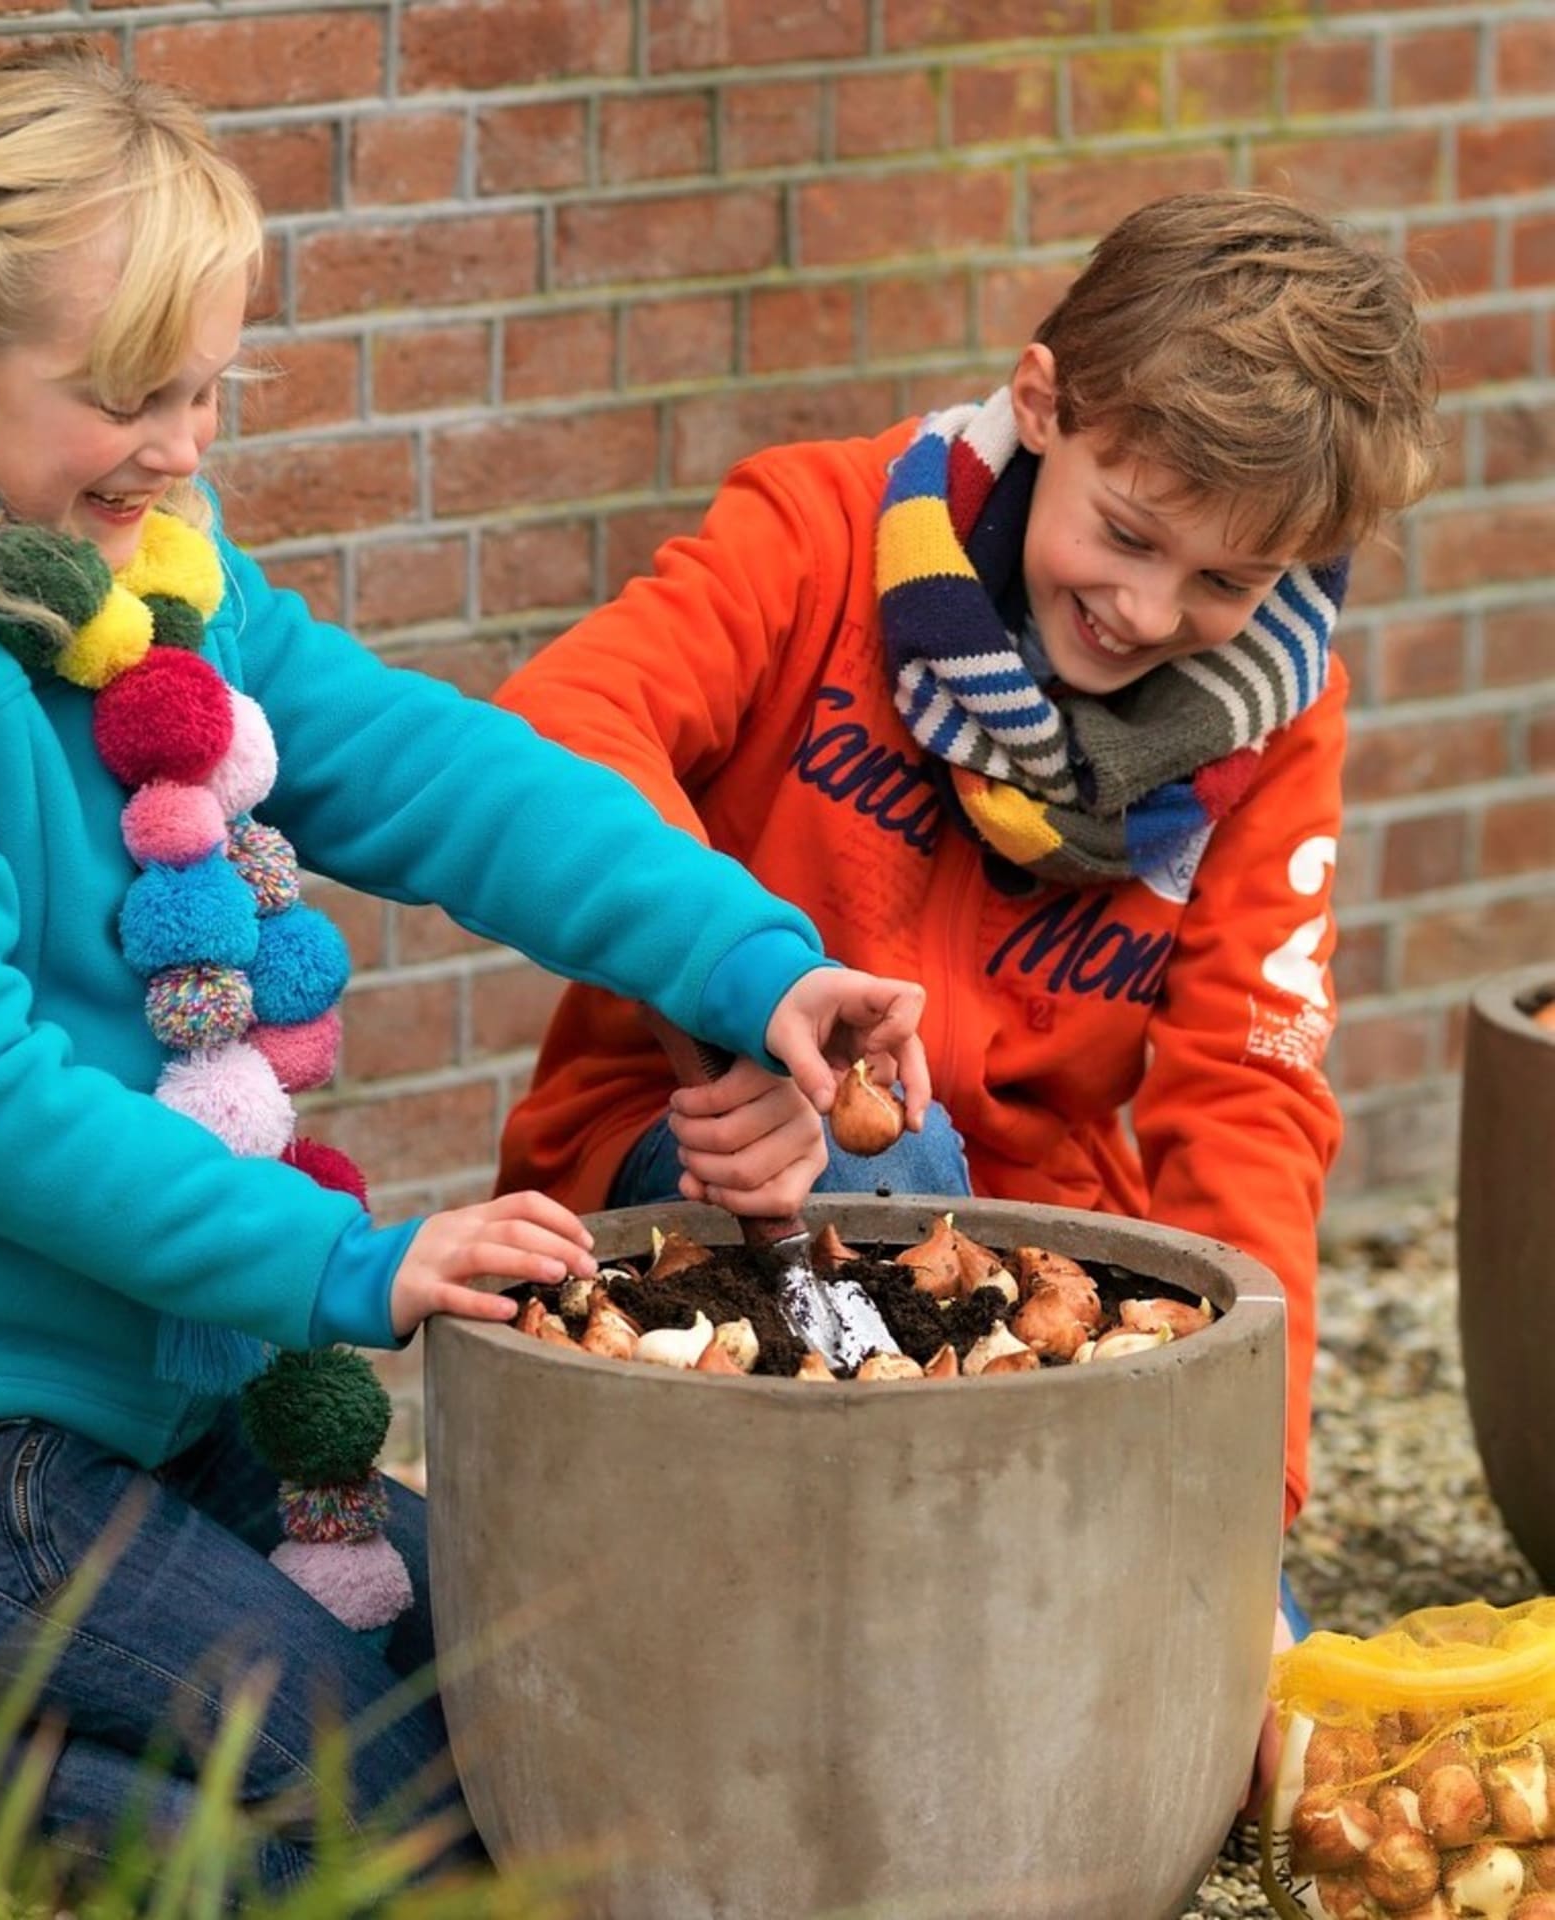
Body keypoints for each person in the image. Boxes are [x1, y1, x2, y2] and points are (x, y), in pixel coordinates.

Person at [0, 42, 936, 1902]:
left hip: (142, 1414)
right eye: (127, 397)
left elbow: (432, 770)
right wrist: (351, 1265)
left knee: (525, 1691)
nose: (181, 449)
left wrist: (750, 964)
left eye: (206, 391)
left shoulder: (146, 586)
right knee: (378, 1817)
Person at [492, 191, 1439, 1796]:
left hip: (1035, 1265)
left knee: (1240, 1742)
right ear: (1047, 401)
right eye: (1128, 534)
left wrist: (1235, 1484)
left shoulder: (1279, 717)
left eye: (1227, 583)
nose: (1151, 614)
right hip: (701, 1185)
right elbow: (554, 727)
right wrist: (749, 988)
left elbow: (1250, 1092)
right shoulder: (817, 533)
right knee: (881, 1162)